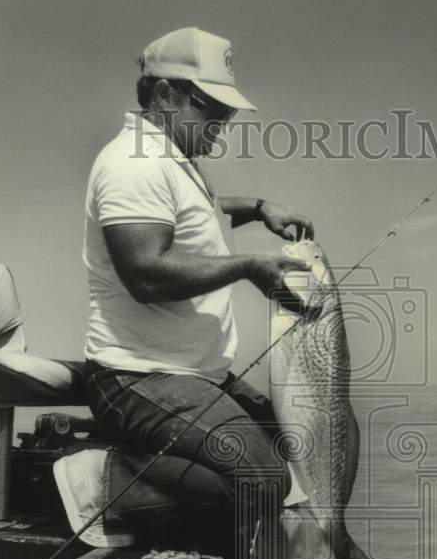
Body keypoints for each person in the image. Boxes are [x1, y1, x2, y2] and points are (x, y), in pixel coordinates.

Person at [82, 27, 313, 511]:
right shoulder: (132, 164)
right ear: (166, 95)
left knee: (296, 450)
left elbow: (197, 211)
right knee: (262, 482)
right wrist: (248, 265)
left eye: (228, 111)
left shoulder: (170, 159)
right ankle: (105, 480)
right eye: (213, 108)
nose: (224, 121)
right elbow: (145, 275)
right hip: (136, 379)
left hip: (195, 375)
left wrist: (257, 206)